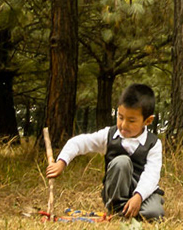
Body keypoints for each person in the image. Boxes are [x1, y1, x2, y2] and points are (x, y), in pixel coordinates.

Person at [46, 82, 165, 221]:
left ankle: (133, 209)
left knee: (154, 214)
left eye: (131, 120)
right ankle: (118, 210)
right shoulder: (109, 135)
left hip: (143, 193)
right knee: (122, 161)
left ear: (148, 121)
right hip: (117, 193)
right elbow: (78, 143)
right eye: (120, 117)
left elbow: (151, 175)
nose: (123, 125)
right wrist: (61, 162)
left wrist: (138, 196)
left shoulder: (153, 144)